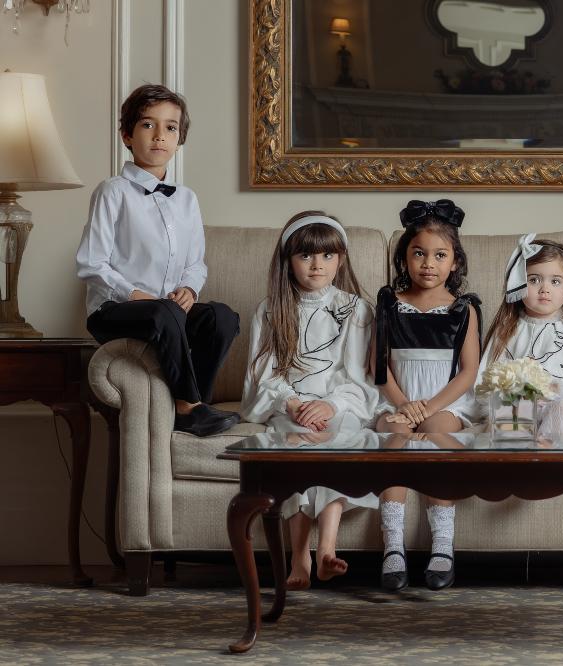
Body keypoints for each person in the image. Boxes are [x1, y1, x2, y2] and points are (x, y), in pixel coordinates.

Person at [77, 84, 240, 437]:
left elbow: (196, 262)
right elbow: (91, 263)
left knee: (222, 317)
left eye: (170, 127)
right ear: (127, 135)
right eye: (148, 125)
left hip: (166, 311)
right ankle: (186, 407)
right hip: (115, 310)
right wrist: (135, 294)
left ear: (179, 139)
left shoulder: (187, 199)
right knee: (163, 312)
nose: (159, 136)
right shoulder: (112, 191)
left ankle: (196, 401)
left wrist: (190, 289)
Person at [241, 211, 379, 589]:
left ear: (341, 260)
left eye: (327, 256)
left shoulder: (357, 311)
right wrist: (293, 404)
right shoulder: (269, 311)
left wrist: (331, 405)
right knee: (296, 446)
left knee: (336, 439)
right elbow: (262, 377)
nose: (317, 265)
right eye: (305, 256)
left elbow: (360, 379)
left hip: (338, 406)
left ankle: (327, 549)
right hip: (291, 408)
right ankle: (299, 557)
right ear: (287, 260)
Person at [371, 199, 481, 592]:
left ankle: (442, 545)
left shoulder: (464, 310)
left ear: (454, 262)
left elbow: (468, 372)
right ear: (405, 257)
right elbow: (379, 368)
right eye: (419, 254)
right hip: (396, 397)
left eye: (439, 255)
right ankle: (393, 546)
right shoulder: (389, 304)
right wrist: (403, 405)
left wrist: (428, 407)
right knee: (394, 434)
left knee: (436, 433)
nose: (428, 264)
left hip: (445, 402)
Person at [479, 235, 563, 435]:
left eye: (555, 281)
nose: (544, 289)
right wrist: (515, 391)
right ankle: (512, 453)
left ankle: (551, 455)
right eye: (533, 280)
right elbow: (485, 379)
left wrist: (557, 388)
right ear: (518, 283)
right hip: (518, 400)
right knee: (507, 411)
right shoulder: (506, 330)